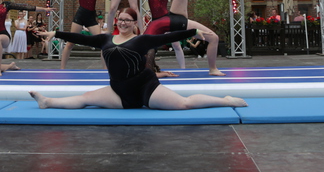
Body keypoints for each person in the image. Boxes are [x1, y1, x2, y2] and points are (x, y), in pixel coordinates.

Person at [29, 8, 246, 110]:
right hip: (119, 92)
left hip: (145, 88)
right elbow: (80, 38)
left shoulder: (141, 40)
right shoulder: (105, 39)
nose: (123, 23)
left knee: (184, 103)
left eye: (127, 20)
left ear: (134, 23)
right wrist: (56, 33)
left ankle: (225, 100)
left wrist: (194, 32)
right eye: (120, 19)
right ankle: (47, 102)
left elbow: (167, 37)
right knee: (86, 98)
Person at [56, 0, 111, 69]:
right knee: (70, 42)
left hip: (91, 18)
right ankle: (62, 68)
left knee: (103, 43)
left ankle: (105, 69)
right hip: (80, 17)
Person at [137, 0, 186, 72]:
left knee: (176, 44)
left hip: (166, 20)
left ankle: (183, 68)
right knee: (148, 44)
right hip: (155, 22)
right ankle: (148, 67)